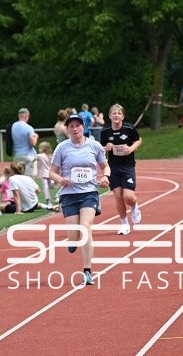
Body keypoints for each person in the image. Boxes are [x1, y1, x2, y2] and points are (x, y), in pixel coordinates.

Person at [48, 112, 110, 286]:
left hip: (89, 192)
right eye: (71, 126)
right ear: (67, 129)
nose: (75, 129)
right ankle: (72, 239)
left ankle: (87, 270)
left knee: (86, 227)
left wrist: (105, 176)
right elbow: (51, 172)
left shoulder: (94, 146)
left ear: (84, 127)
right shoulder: (62, 148)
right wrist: (61, 180)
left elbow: (105, 166)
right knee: (75, 235)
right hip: (69, 195)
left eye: (78, 125)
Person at [101, 103, 142, 236]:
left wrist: (131, 149)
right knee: (118, 197)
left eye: (119, 113)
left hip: (127, 166)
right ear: (109, 116)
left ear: (123, 116)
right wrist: (106, 148)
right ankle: (124, 224)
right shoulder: (105, 131)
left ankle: (134, 206)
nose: (116, 115)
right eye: (114, 113)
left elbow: (139, 140)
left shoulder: (129, 128)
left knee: (128, 197)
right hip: (113, 167)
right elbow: (101, 147)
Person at [11, 107, 38, 177]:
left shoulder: (13, 126)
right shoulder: (29, 128)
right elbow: (33, 143)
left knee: (18, 177)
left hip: (17, 155)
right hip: (28, 156)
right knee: (29, 177)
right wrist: (36, 137)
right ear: (26, 116)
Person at [37, 141, 55, 208]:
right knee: (51, 185)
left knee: (45, 187)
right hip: (49, 172)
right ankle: (56, 196)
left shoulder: (40, 156)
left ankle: (48, 200)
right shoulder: (51, 156)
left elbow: (33, 159)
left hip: (43, 173)